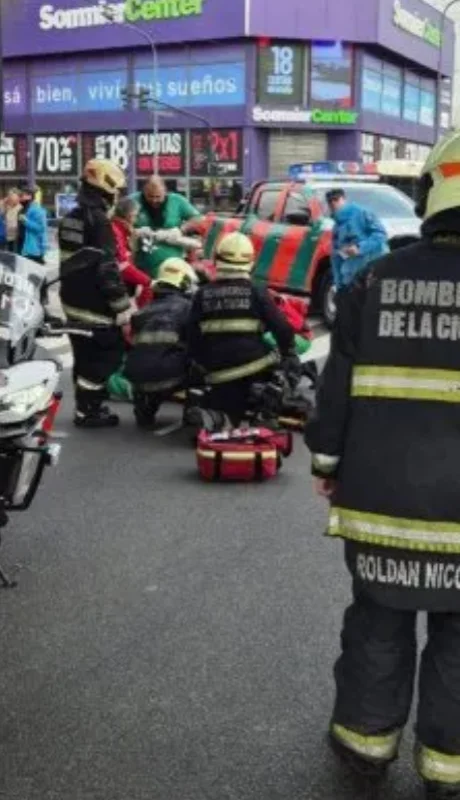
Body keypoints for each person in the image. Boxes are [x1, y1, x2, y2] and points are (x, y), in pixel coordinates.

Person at [304, 130, 460, 800]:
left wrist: (326, 461)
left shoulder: (373, 278)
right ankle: (447, 769)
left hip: (378, 503)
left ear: (429, 194)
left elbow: (336, 382)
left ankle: (365, 746)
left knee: (377, 622)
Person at [187, 231, 299, 427]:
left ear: (217, 259)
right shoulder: (257, 292)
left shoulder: (202, 294)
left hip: (216, 373)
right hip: (255, 369)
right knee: (288, 366)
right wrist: (289, 354)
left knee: (219, 402)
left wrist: (202, 365)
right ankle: (267, 408)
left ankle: (208, 410)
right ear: (251, 262)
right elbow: (283, 329)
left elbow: (191, 335)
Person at [59, 158, 132, 428]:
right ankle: (89, 410)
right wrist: (122, 305)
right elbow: (107, 268)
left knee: (84, 354)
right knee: (107, 353)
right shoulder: (99, 221)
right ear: (108, 188)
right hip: (93, 304)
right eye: (117, 191)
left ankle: (84, 406)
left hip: (71, 299)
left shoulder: (71, 218)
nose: (118, 196)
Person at [124, 257, 197, 428]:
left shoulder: (140, 313)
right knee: (203, 359)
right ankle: (194, 413)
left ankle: (145, 409)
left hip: (137, 378)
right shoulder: (189, 309)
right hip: (171, 376)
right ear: (184, 283)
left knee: (150, 357)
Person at [131, 176, 201, 279]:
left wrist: (181, 230)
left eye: (158, 196)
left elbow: (198, 218)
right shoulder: (132, 200)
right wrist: (134, 231)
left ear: (165, 192)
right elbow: (116, 221)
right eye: (150, 196)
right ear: (144, 191)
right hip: (142, 267)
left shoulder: (177, 200)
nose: (154, 200)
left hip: (173, 266)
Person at [326, 187, 388, 292]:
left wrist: (360, 248)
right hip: (351, 279)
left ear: (344, 199)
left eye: (336, 199)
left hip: (373, 273)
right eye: (330, 201)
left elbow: (380, 235)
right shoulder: (337, 227)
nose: (333, 203)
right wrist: (339, 285)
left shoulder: (362, 213)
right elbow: (336, 257)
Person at [111, 196, 154, 309]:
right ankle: (143, 316)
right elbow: (123, 265)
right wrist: (147, 281)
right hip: (116, 278)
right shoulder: (116, 230)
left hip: (119, 278)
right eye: (135, 215)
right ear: (128, 215)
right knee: (149, 284)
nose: (137, 219)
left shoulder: (121, 228)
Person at [17, 186, 47, 264]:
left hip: (33, 250)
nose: (20, 198)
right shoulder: (21, 209)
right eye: (19, 196)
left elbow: (41, 229)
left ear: (30, 196)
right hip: (22, 246)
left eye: (22, 195)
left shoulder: (37, 210)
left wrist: (26, 221)